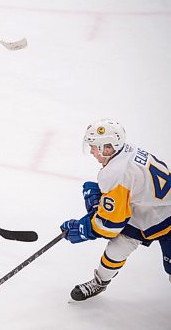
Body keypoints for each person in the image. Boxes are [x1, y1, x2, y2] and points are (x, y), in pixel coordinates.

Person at [60, 119, 170, 301]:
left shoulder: (114, 172)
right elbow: (128, 194)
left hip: (165, 217)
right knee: (117, 249)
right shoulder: (127, 151)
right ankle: (100, 283)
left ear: (108, 148)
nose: (92, 151)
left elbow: (110, 226)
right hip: (145, 210)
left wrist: (82, 228)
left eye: (95, 147)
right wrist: (101, 207)